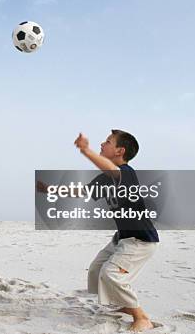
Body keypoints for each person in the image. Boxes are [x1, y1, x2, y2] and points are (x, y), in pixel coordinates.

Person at [75, 130, 159, 332]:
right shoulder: (105, 179)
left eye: (108, 142)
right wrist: (48, 189)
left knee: (111, 273)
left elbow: (114, 171)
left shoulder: (126, 172)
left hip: (140, 240)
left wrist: (86, 150)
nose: (102, 144)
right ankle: (124, 306)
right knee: (96, 270)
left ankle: (142, 318)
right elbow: (83, 191)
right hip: (121, 238)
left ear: (120, 151)